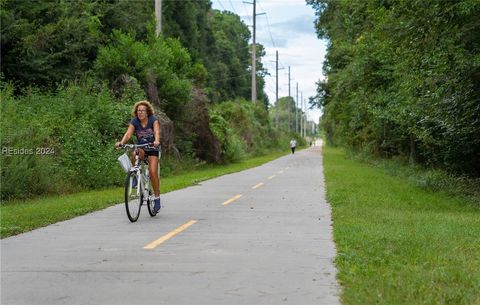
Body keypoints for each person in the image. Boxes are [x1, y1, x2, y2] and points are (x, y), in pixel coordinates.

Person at [115, 100, 161, 212]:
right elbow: (128, 133)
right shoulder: (134, 121)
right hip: (142, 147)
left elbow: (156, 132)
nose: (140, 113)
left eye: (142, 111)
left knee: (153, 172)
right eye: (138, 111)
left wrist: (156, 141)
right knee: (134, 152)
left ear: (147, 112)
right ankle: (135, 174)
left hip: (152, 148)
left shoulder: (153, 120)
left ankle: (157, 197)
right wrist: (121, 142)